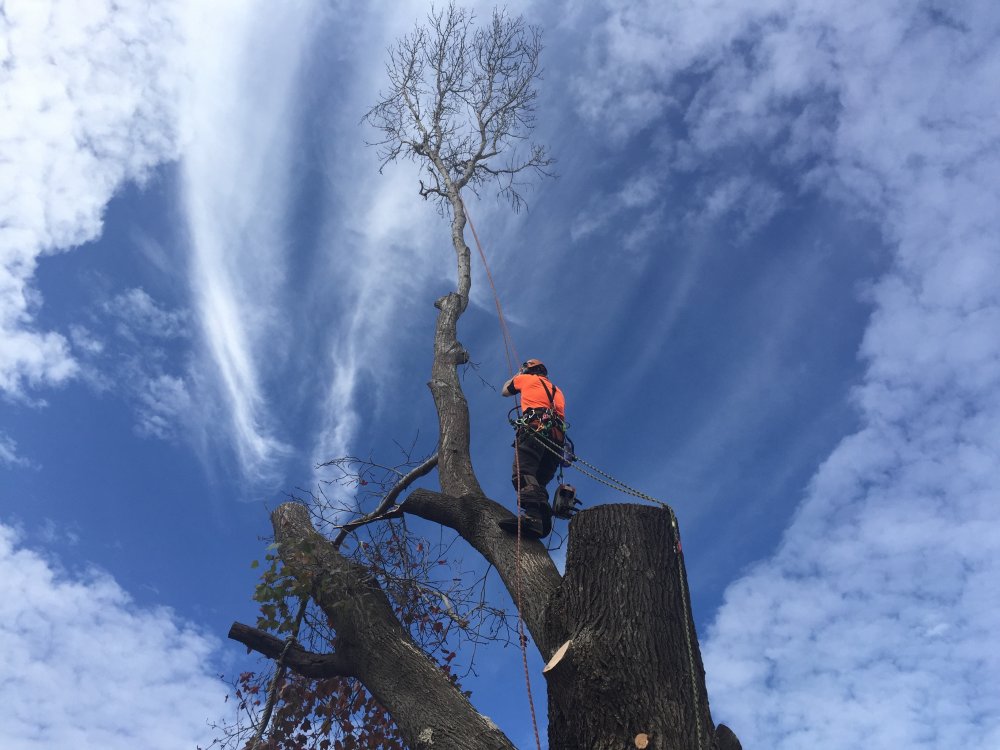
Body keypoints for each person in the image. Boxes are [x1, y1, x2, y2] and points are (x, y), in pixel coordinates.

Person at [499, 358, 566, 539]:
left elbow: (505, 391)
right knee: (538, 481)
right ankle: (541, 520)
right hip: (557, 439)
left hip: (536, 428)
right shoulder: (556, 390)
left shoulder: (526, 379)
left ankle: (533, 519)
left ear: (529, 369)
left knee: (523, 473)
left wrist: (519, 374)